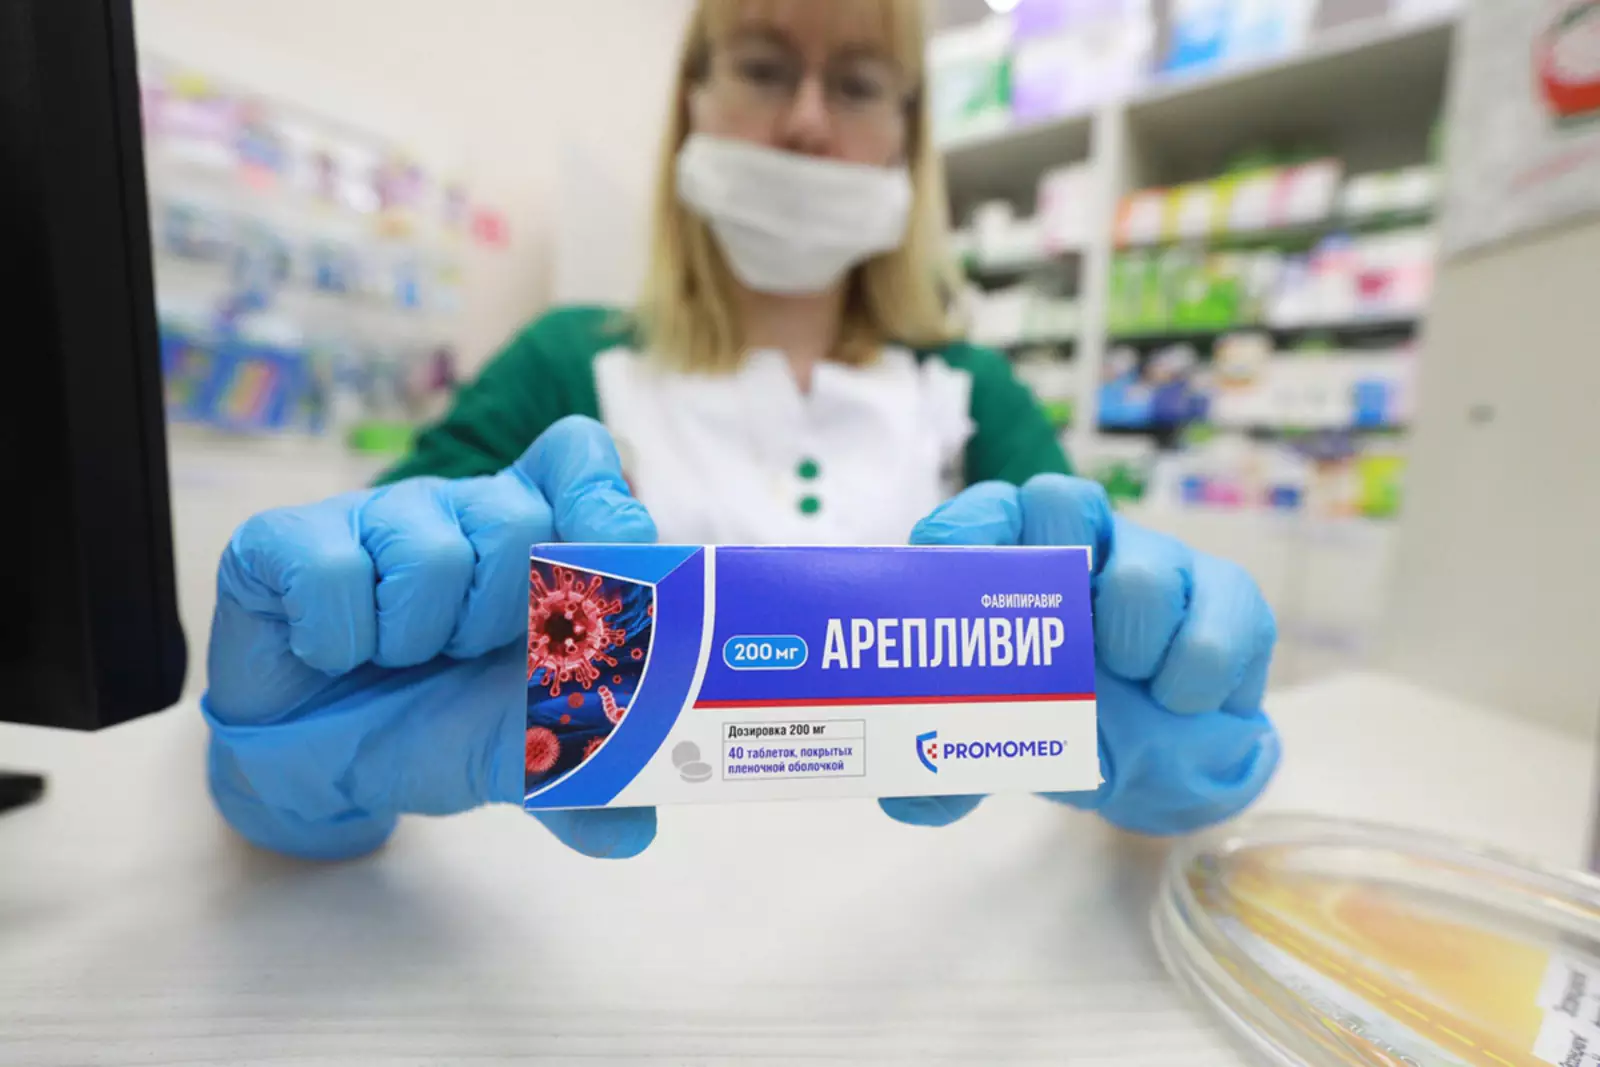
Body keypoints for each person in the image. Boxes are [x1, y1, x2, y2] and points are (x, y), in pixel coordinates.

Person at [203, 0, 1279, 862]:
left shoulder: (974, 394)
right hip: (587, 957)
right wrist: (310, 740)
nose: (807, 122)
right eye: (764, 68)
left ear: (909, 137)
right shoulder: (563, 367)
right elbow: (375, 602)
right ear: (694, 100)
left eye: (857, 84)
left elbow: (1099, 623)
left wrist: (1168, 717)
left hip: (922, 967)